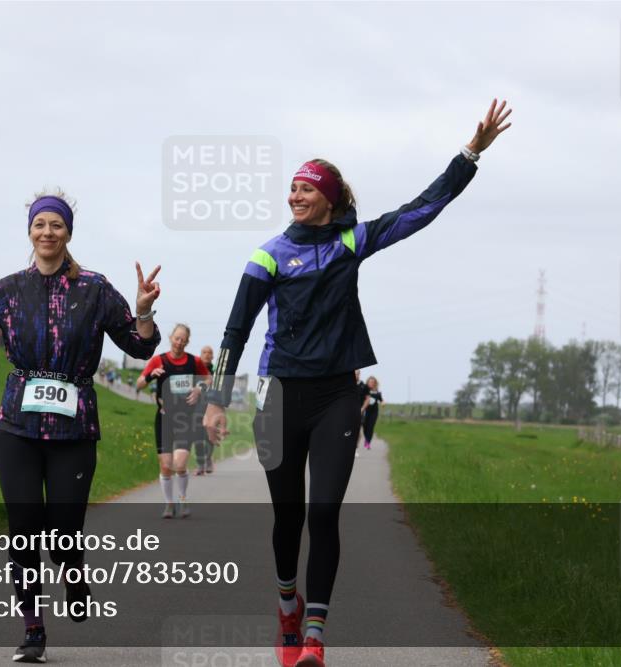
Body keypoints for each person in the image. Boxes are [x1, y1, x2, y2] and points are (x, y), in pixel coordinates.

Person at [204, 100, 512, 667]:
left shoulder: (354, 241)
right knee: (287, 519)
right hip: (279, 395)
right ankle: (287, 606)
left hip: (336, 398)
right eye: (292, 188)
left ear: (331, 197)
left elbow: (422, 209)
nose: (295, 195)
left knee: (323, 514)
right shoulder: (267, 256)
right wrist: (218, 400)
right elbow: (236, 328)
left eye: (306, 188)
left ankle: (315, 635)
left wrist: (469, 155)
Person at [0, 190, 160, 663]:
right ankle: (33, 629)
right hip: (17, 428)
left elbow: (139, 347)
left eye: (57, 225)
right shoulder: (8, 290)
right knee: (23, 529)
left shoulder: (95, 288)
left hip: (74, 431)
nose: (48, 232)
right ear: (30, 231)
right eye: (40, 224)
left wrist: (144, 310)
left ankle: (73, 570)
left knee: (64, 532)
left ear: (69, 233)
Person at [137, 324, 210, 518]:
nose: (179, 342)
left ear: (187, 342)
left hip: (185, 419)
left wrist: (199, 389)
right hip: (164, 419)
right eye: (176, 338)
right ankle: (169, 504)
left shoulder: (194, 362)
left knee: (180, 464)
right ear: (170, 337)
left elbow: (208, 378)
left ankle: (183, 499)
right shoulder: (158, 361)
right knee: (166, 466)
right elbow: (139, 383)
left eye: (183, 339)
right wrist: (151, 375)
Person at [194, 345, 217, 475]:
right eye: (204, 352)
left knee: (209, 437)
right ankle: (200, 463)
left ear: (212, 356)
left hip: (211, 407)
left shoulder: (216, 371)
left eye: (209, 352)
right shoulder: (195, 370)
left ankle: (208, 459)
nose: (207, 354)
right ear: (200, 355)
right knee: (197, 437)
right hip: (196, 409)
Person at [361, 376, 384, 450]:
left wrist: (383, 403)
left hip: (374, 412)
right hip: (366, 411)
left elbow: (381, 400)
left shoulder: (377, 393)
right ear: (367, 382)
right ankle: (366, 439)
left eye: (373, 382)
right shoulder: (364, 390)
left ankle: (367, 442)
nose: (371, 383)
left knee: (370, 427)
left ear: (375, 383)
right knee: (365, 427)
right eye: (370, 382)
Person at [353, 370, 369, 458]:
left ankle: (355, 448)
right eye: (354, 374)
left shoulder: (364, 386)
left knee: (358, 432)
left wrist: (362, 409)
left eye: (357, 374)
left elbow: (368, 399)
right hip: (347, 412)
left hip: (359, 412)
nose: (356, 375)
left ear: (359, 374)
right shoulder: (347, 385)